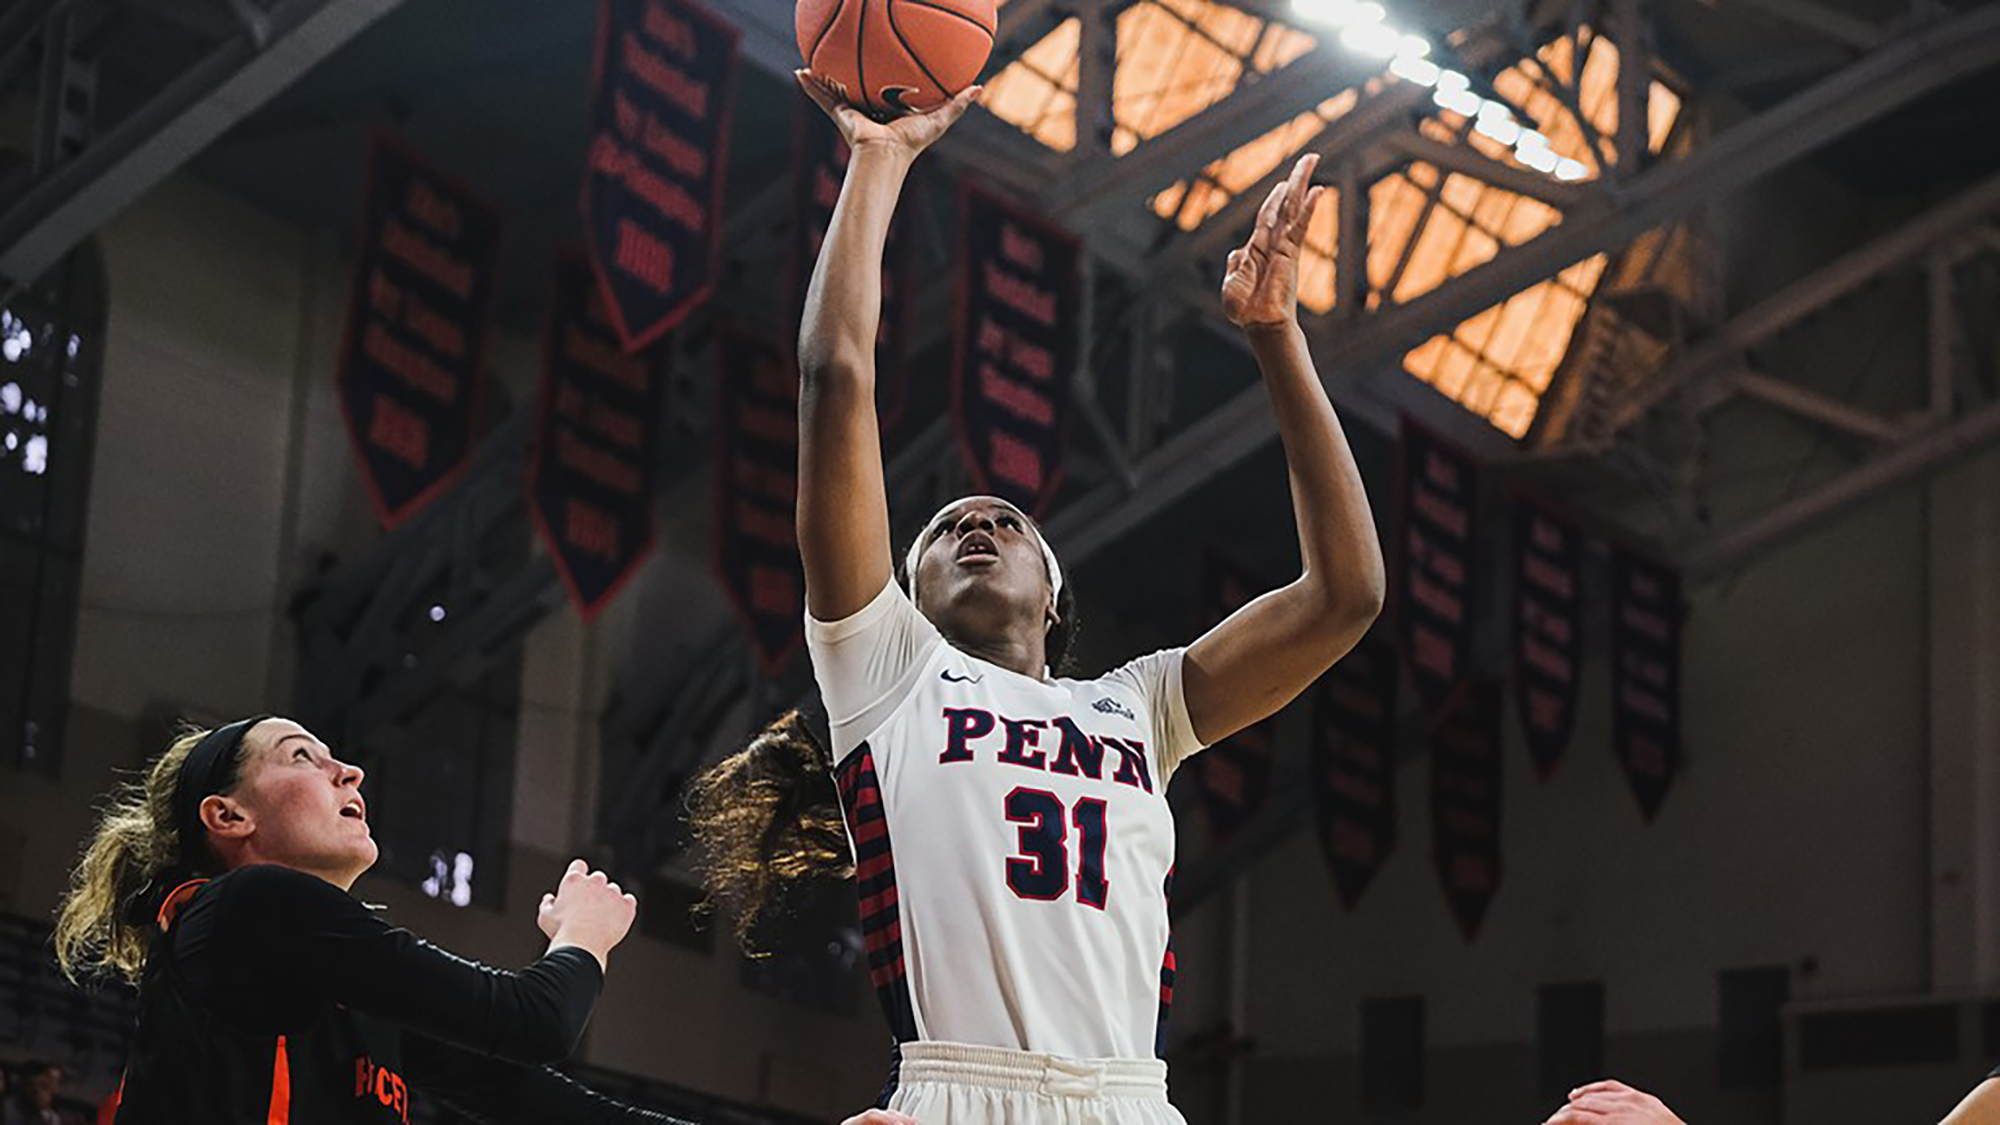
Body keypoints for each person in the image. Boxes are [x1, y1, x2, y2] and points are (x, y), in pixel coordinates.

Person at [689, 72, 1384, 1125]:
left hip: (1127, 1099)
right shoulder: (887, 676)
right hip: (963, 1092)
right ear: (902, 593)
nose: (979, 526)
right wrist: (878, 165)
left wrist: (1275, 337)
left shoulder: (1139, 708)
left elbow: (1345, 597)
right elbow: (835, 374)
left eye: (1008, 522)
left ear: (1054, 599)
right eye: (944, 530)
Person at [52, 716, 907, 1125]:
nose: (350, 768)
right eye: (302, 756)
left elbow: (574, 1117)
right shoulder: (243, 906)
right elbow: (536, 1022)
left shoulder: (338, 984)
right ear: (228, 816)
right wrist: (582, 936)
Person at [1, 1061, 62, 1125]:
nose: (40, 1092)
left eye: (45, 1086)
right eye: (42, 1086)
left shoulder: (50, 1116)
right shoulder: (9, 1108)